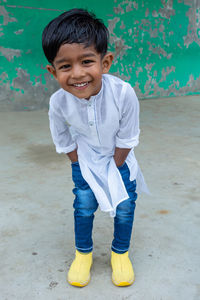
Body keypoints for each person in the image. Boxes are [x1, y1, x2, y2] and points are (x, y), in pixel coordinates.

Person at [42, 8, 148, 288]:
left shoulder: (123, 93)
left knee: (125, 207)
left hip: (120, 160)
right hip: (85, 162)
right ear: (53, 71)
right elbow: (62, 137)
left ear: (106, 61)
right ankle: (83, 254)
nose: (77, 74)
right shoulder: (58, 103)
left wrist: (114, 167)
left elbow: (127, 137)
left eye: (87, 61)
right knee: (83, 206)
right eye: (65, 66)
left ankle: (120, 253)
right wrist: (79, 164)